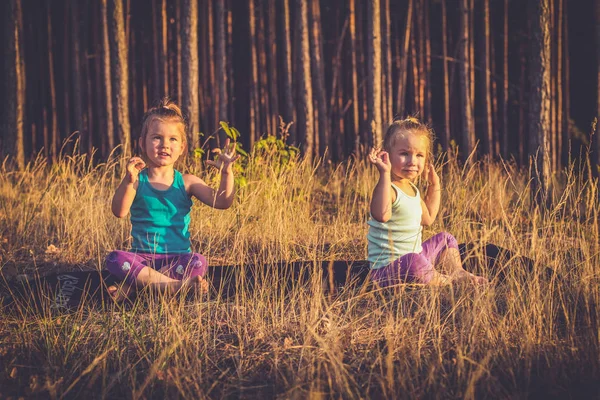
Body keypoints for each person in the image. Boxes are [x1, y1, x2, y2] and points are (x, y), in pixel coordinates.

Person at [105, 98, 239, 300]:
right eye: (157, 138)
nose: (164, 145)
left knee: (198, 262)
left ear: (182, 146)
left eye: (173, 139)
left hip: (177, 261)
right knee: (115, 259)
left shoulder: (186, 182)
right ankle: (177, 287)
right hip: (141, 259)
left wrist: (227, 173)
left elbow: (222, 202)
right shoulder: (136, 181)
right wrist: (127, 180)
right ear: (143, 142)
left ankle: (137, 287)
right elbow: (119, 211)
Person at [367, 117, 488, 287]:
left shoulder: (413, 190)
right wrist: (384, 174)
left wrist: (434, 184)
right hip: (388, 270)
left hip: (416, 257)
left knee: (446, 238)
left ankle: (458, 273)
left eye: (419, 155)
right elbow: (381, 215)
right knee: (414, 261)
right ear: (386, 154)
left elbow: (429, 218)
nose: (412, 161)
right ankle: (449, 282)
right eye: (404, 154)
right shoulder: (389, 188)